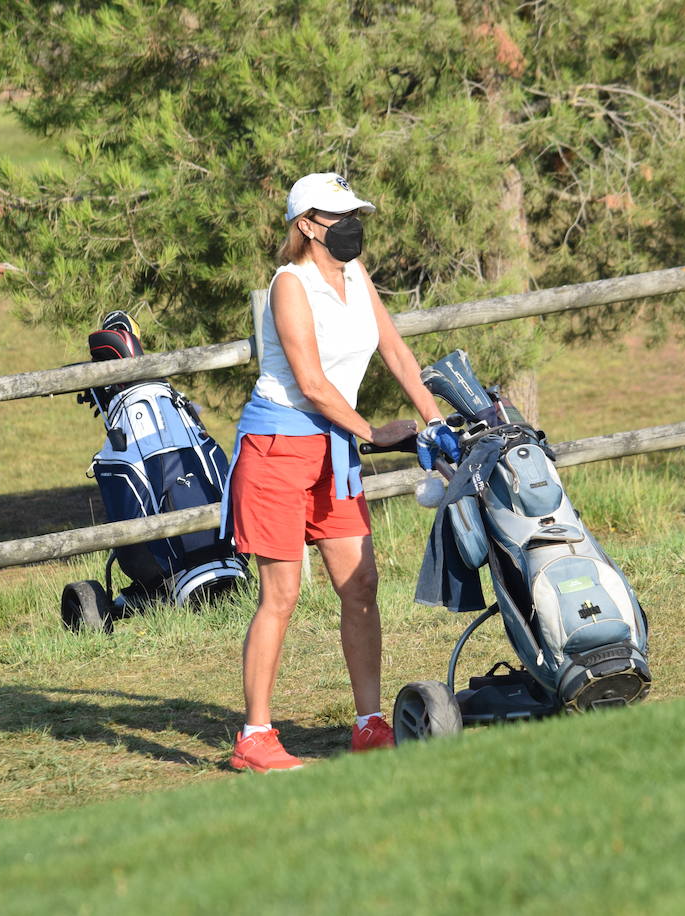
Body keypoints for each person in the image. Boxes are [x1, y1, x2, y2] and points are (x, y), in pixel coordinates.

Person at [223, 172, 460, 772]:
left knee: (360, 586)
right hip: (277, 447)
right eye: (339, 215)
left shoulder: (356, 275)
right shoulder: (290, 285)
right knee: (281, 594)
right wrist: (373, 432)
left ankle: (368, 724)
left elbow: (397, 352)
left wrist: (432, 421)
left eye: (356, 212)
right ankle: (254, 737)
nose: (352, 224)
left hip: (334, 450)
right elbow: (309, 383)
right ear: (306, 225)